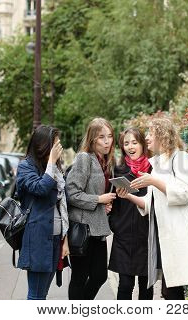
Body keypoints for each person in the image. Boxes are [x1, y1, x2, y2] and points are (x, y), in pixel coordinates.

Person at [117, 118, 188, 300]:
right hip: (163, 236)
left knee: (173, 290)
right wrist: (128, 195)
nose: (146, 138)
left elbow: (184, 193)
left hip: (177, 233)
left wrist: (153, 181)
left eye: (151, 134)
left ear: (162, 136)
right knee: (168, 290)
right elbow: (150, 203)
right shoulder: (158, 164)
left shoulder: (182, 159)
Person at [16, 125, 70, 300]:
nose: (58, 148)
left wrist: (65, 239)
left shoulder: (54, 168)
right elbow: (40, 188)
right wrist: (51, 163)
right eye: (55, 144)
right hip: (38, 238)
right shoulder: (26, 167)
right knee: (36, 296)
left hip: (55, 238)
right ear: (43, 145)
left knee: (43, 294)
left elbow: (62, 203)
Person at [66, 117, 117, 300]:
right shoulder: (84, 158)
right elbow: (71, 193)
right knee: (79, 277)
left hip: (98, 228)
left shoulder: (106, 162)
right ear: (92, 139)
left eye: (110, 136)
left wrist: (105, 204)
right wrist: (98, 199)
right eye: (101, 137)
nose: (107, 141)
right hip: (83, 227)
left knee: (100, 276)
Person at [108, 127, 153, 300]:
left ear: (142, 144)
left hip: (146, 235)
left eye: (134, 142)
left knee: (146, 286)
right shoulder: (118, 171)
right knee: (125, 285)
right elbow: (111, 200)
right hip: (124, 236)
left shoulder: (153, 170)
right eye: (126, 143)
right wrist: (116, 224)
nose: (130, 146)